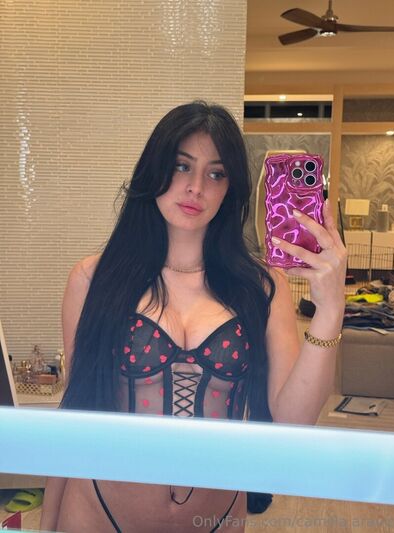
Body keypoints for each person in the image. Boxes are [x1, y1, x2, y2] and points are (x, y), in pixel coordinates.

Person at [39, 101, 347, 532]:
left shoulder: (262, 288)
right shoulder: (93, 280)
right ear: (155, 170)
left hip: (215, 520)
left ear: (230, 189)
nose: (196, 187)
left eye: (216, 174)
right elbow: (75, 417)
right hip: (98, 515)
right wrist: (47, 525)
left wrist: (330, 309)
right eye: (182, 166)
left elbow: (292, 422)